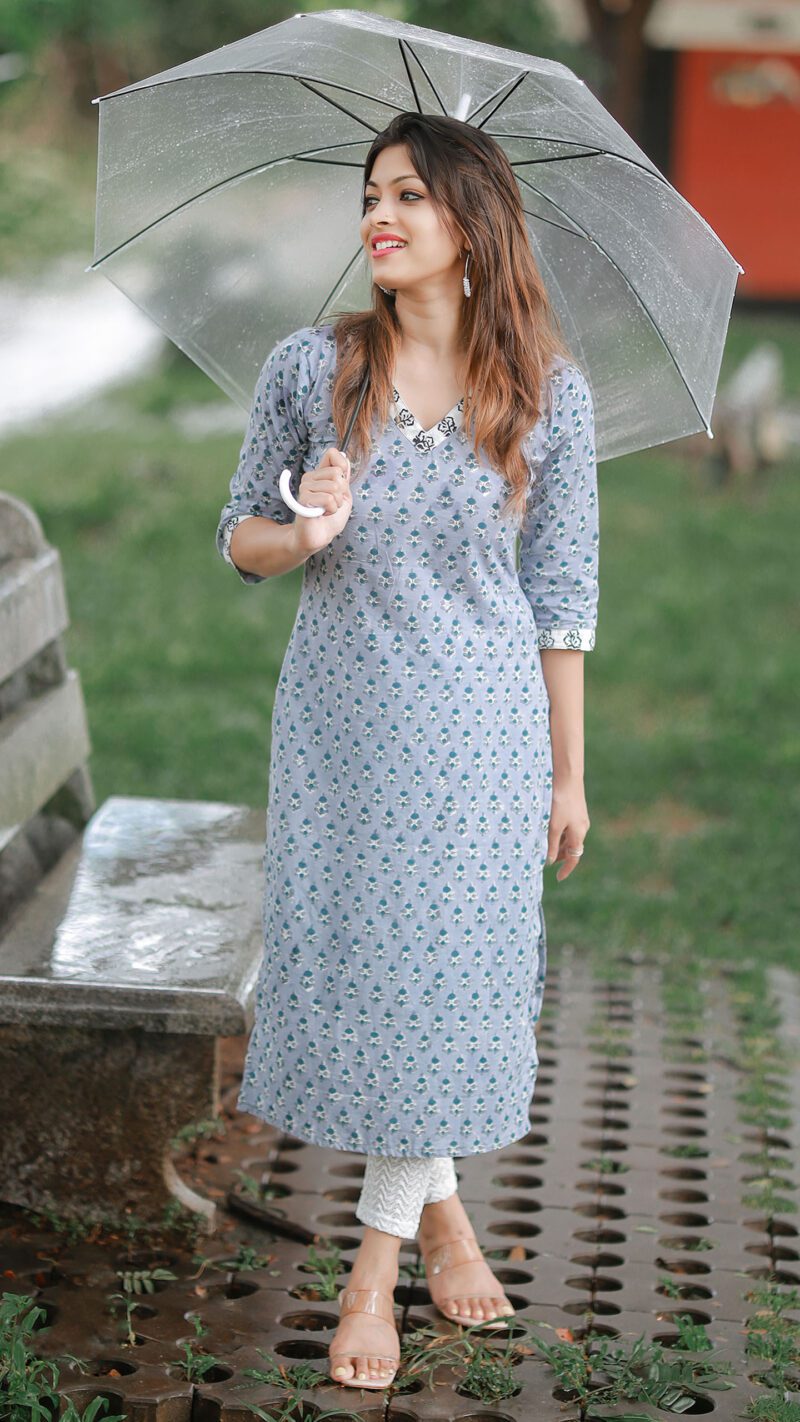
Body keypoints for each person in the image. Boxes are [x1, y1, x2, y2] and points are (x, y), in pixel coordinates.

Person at [215, 110, 599, 1391]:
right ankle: (441, 1216)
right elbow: (237, 543)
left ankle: (369, 1280)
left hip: (484, 738)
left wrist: (566, 772)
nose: (378, 217)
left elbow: (562, 600)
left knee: (436, 980)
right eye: (370, 196)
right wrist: (305, 532)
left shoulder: (550, 395)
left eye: (409, 198)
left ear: (472, 227)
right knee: (380, 978)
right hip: (344, 730)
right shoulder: (307, 372)